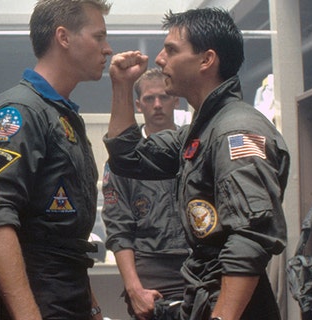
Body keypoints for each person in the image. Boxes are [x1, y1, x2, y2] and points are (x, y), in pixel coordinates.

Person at [104, 8, 290, 320]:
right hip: (205, 292)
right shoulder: (201, 131)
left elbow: (251, 236)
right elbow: (127, 158)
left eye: (172, 50)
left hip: (231, 304)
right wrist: (122, 86)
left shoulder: (234, 131)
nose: (160, 59)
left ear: (206, 60)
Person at [0, 0, 113, 319]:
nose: (108, 49)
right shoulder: (20, 112)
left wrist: (92, 306)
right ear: (64, 37)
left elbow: (63, 241)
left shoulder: (61, 115)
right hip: (34, 300)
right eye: (99, 37)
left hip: (66, 297)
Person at [101, 68, 189, 320]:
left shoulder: (195, 148)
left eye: (163, 97)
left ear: (176, 100)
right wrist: (133, 288)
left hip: (198, 266)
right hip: (151, 271)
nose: (157, 105)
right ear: (139, 105)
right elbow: (118, 229)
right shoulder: (123, 159)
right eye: (149, 99)